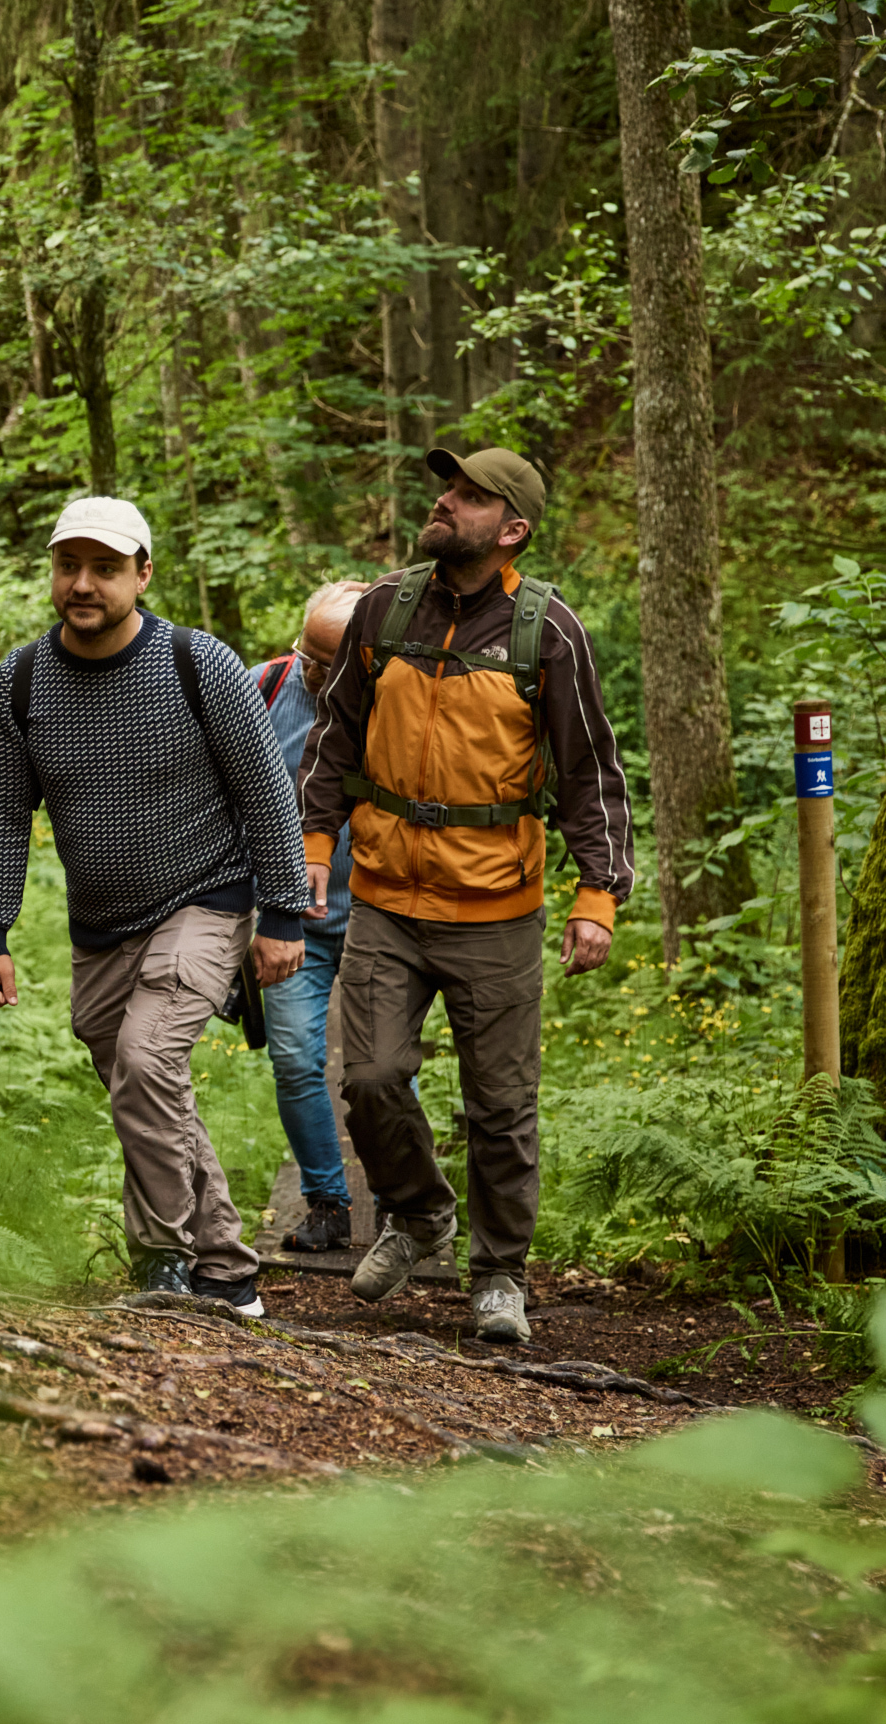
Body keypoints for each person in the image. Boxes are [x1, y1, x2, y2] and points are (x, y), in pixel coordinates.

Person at [296, 446, 637, 1342]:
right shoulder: (383, 609)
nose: (444, 502)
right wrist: (315, 842)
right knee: (369, 1079)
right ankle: (417, 1214)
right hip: (386, 900)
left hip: (496, 910)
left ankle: (497, 1274)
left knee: (500, 1106)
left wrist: (597, 896)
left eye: (468, 496)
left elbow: (589, 771)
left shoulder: (547, 631)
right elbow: (335, 737)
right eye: (447, 489)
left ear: (511, 528)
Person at [0, 496, 314, 1316]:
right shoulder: (18, 684)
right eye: (69, 566)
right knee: (141, 1084)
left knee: (148, 1062)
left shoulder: (200, 664)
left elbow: (267, 792)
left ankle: (162, 1258)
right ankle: (228, 1268)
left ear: (143, 573)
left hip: (206, 895)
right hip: (101, 923)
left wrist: (283, 914)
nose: (83, 584)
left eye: (106, 568)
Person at [260, 579, 371, 1253]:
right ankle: (328, 1200)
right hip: (289, 919)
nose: (313, 673)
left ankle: (393, 1203)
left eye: (330, 666)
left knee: (383, 1071)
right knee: (296, 1058)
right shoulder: (263, 688)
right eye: (309, 656)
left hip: (378, 918)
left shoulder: (400, 695)